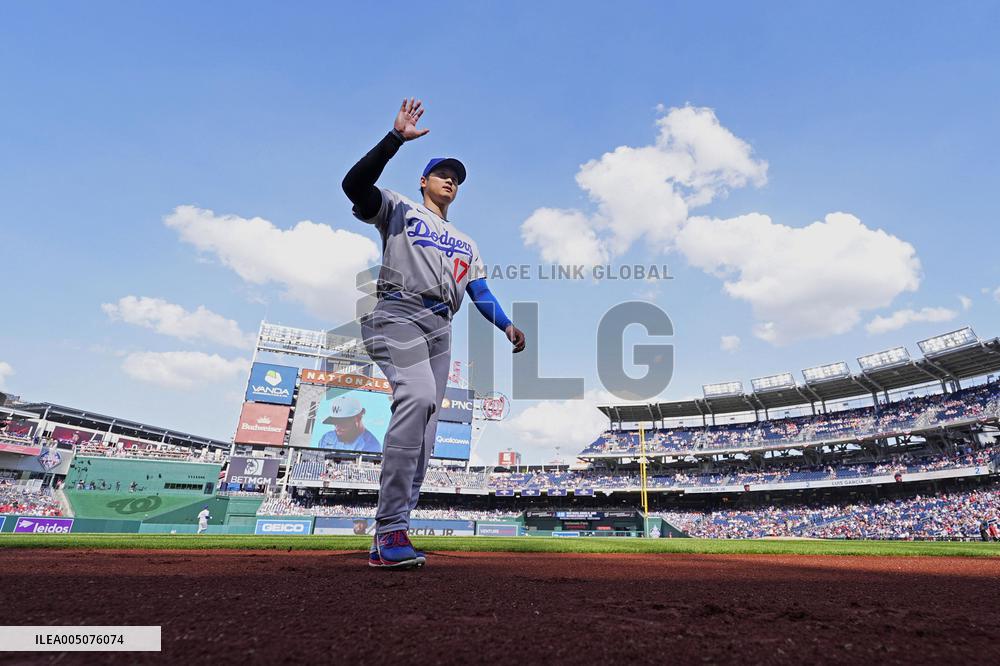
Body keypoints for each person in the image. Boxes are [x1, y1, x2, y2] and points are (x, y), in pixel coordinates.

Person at [342, 98, 525, 569]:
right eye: (442, 173)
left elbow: (479, 291)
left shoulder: (468, 243)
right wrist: (394, 140)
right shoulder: (398, 208)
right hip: (398, 312)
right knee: (419, 396)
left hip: (442, 328)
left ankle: (394, 529)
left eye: (456, 178)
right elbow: (353, 185)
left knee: (425, 433)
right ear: (423, 181)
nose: (450, 180)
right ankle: (388, 529)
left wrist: (506, 324)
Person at [317, 395, 381, 453]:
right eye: (335, 422)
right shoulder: (326, 438)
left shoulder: (371, 446)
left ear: (358, 417)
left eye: (342, 423)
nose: (337, 428)